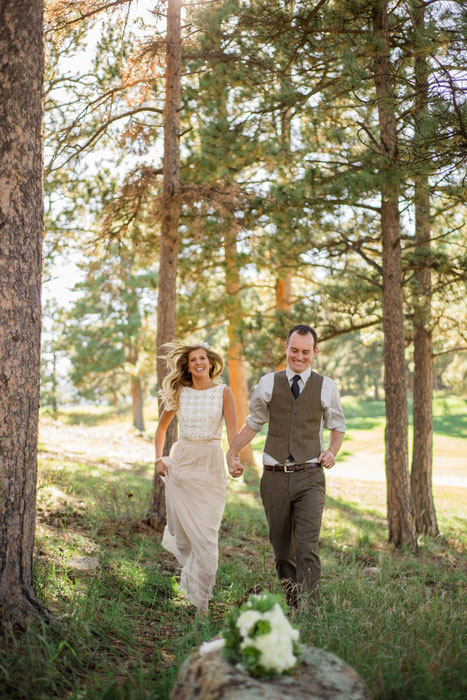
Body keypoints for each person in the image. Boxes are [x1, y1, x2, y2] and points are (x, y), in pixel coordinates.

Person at [227, 324, 345, 606]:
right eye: (294, 350)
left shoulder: (327, 386)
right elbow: (253, 423)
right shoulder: (268, 383)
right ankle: (294, 604)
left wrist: (331, 451)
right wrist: (232, 452)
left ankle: (310, 612)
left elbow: (337, 426)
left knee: (307, 548)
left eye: (306, 352)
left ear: (315, 352)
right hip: (275, 479)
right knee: (282, 552)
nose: (300, 357)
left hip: (310, 477)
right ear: (286, 348)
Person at [155, 340, 242, 614]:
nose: (198, 363)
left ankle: (200, 601)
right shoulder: (181, 392)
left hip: (211, 466)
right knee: (187, 535)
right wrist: (158, 458)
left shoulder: (224, 392)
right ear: (188, 366)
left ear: (210, 362)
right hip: (183, 464)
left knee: (207, 535)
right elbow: (161, 429)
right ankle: (198, 603)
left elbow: (232, 433)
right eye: (193, 360)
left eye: (202, 358)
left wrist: (235, 457)